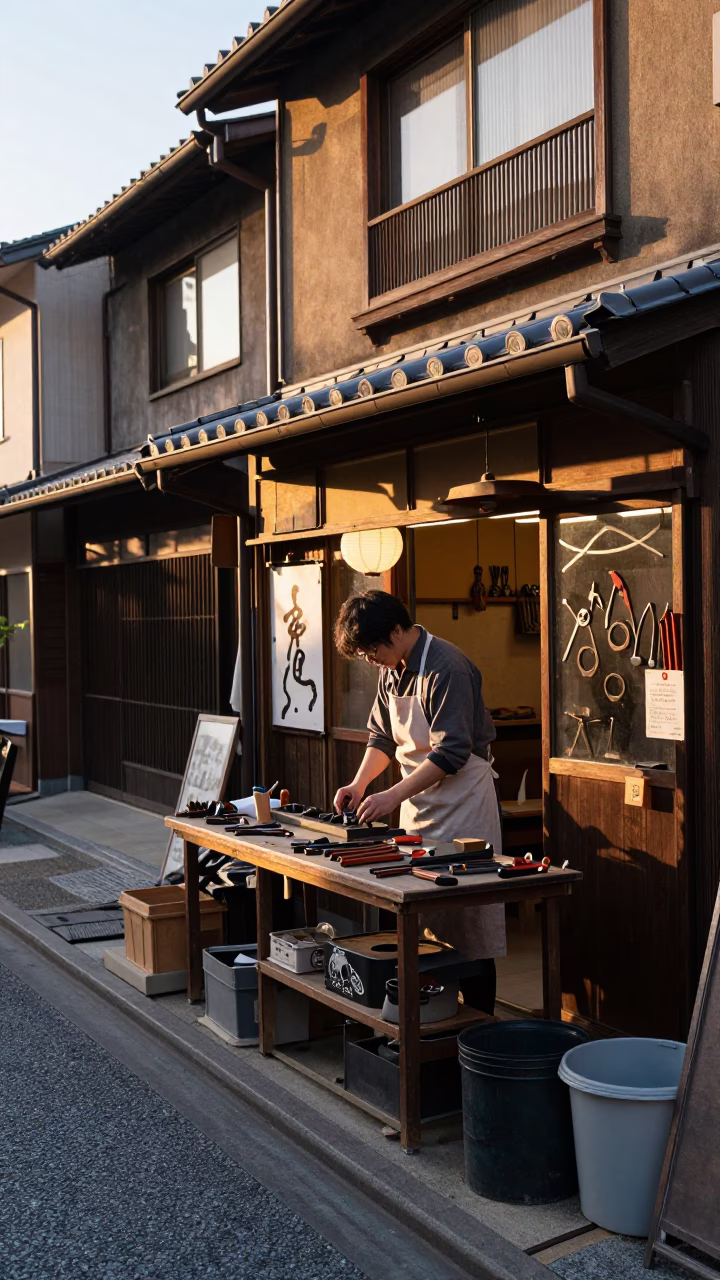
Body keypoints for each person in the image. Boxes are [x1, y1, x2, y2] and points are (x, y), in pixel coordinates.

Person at [332, 589, 505, 1014]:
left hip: (464, 803)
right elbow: (382, 737)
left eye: (373, 650)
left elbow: (450, 753)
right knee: (422, 917)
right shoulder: (391, 669)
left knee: (470, 922)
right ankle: (433, 1014)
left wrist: (391, 794)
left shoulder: (446, 665)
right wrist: (359, 785)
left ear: (397, 630)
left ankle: (479, 1023)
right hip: (418, 805)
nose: (371, 659)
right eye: (364, 654)